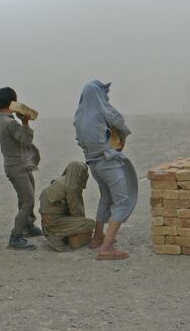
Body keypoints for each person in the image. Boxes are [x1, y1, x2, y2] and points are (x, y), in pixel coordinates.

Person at [74, 79, 138, 260]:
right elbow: (118, 120)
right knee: (122, 201)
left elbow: (79, 140)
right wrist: (122, 137)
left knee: (106, 197)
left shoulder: (78, 117)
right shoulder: (103, 109)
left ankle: (97, 237)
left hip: (93, 164)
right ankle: (107, 248)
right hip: (108, 162)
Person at [0, 87, 40, 250]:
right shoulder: (10, 123)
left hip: (14, 164)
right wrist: (25, 122)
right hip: (18, 166)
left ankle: (28, 225)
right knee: (28, 200)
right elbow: (25, 141)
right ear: (13, 102)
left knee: (25, 196)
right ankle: (16, 236)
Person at [39, 161, 96, 252]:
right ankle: (56, 236)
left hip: (47, 221)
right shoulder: (72, 187)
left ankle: (56, 233)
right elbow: (76, 212)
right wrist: (83, 229)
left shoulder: (60, 180)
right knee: (90, 223)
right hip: (54, 223)